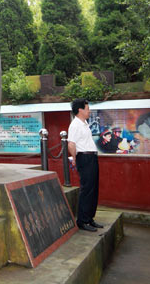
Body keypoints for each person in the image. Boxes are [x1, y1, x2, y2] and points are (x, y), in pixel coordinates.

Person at [67, 98, 103, 232]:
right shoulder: (75, 124)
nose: (89, 111)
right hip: (84, 157)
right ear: (80, 110)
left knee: (93, 189)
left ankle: (89, 218)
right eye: (87, 108)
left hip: (91, 157)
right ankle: (82, 221)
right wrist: (75, 159)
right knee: (86, 189)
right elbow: (71, 143)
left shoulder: (85, 123)